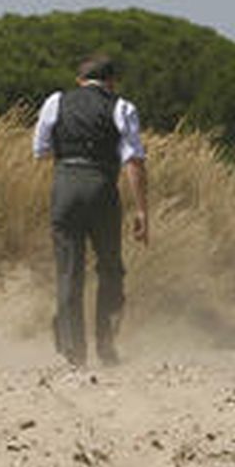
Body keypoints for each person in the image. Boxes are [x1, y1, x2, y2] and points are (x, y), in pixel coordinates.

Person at [32, 53, 149, 366]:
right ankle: (106, 346)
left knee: (69, 271)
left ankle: (73, 351)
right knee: (110, 268)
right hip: (102, 189)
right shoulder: (122, 107)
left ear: (79, 80)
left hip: (65, 188)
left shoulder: (56, 102)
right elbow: (134, 162)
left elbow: (40, 149)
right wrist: (141, 211)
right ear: (111, 82)